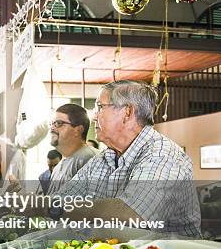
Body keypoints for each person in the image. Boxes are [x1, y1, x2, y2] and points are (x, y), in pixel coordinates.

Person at [53, 80, 201, 236]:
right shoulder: (104, 158)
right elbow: (63, 198)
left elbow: (132, 214)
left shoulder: (164, 156)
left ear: (127, 112)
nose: (94, 116)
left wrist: (52, 207)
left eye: (100, 107)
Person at [46, 104, 98, 195]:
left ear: (78, 130)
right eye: (51, 123)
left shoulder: (89, 158)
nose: (52, 128)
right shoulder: (58, 167)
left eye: (58, 123)